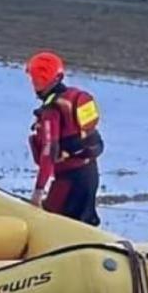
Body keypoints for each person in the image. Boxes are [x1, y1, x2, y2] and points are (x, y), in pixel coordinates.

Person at [25, 51, 104, 226]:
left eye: (33, 79)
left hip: (69, 180)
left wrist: (38, 192)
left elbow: (49, 151)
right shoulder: (74, 97)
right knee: (84, 222)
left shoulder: (51, 111)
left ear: (40, 81)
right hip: (90, 174)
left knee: (50, 222)